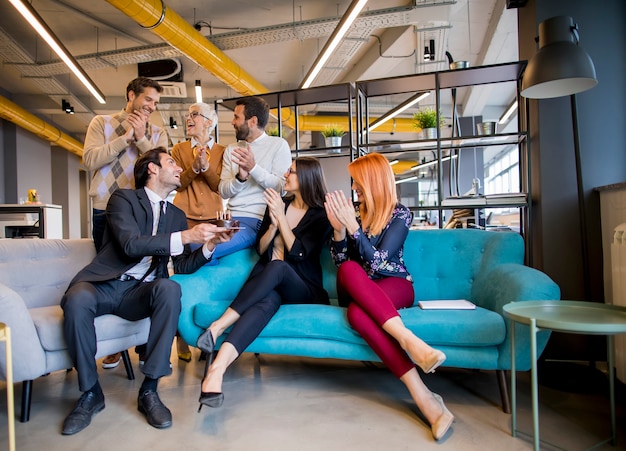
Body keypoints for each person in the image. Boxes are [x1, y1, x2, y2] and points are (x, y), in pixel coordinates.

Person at [60, 147, 234, 435]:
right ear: (152, 169)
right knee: (77, 299)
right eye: (171, 163)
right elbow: (130, 244)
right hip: (103, 285)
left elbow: (183, 264)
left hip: (137, 294)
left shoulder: (176, 215)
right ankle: (90, 393)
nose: (180, 169)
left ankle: (150, 390)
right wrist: (186, 235)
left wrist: (210, 245)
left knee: (168, 288)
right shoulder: (123, 199)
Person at [323, 153, 454, 441]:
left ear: (372, 181)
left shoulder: (400, 213)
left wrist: (355, 229)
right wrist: (339, 229)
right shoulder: (354, 214)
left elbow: (379, 262)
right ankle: (410, 341)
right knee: (347, 267)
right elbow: (341, 261)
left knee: (358, 314)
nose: (353, 187)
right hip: (357, 286)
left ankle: (425, 399)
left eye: (357, 181)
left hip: (394, 284)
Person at [196, 157, 331, 410]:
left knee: (278, 267)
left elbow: (300, 254)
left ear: (306, 178)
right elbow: (260, 250)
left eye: (291, 171)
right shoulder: (281, 204)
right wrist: (272, 224)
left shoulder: (320, 214)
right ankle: (216, 371)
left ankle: (217, 326)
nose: (285, 174)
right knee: (265, 302)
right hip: (272, 285)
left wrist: (281, 219)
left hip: (303, 288)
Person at [83, 76, 167, 370]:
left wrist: (142, 138)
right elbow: (90, 160)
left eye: (156, 102)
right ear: (131, 95)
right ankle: (115, 345)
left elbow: (158, 167)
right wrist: (125, 139)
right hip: (104, 209)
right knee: (109, 276)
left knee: (145, 275)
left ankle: (143, 345)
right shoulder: (101, 123)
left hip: (142, 212)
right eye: (148, 100)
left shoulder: (158, 132)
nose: (152, 106)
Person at [170, 102, 226, 362]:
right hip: (183, 218)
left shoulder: (223, 151)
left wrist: (206, 166)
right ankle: (182, 336)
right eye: (188, 115)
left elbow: (219, 186)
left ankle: (204, 334)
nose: (189, 118)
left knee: (207, 276)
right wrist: (195, 165)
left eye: (195, 115)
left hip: (212, 219)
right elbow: (178, 183)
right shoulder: (179, 149)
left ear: (209, 122)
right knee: (184, 273)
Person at [214, 96, 292, 262]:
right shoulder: (231, 149)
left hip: (256, 221)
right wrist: (240, 178)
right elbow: (223, 191)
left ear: (253, 121)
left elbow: (282, 187)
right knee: (191, 244)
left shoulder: (278, 145)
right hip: (230, 220)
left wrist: (253, 168)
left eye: (236, 117)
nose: (232, 122)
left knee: (208, 248)